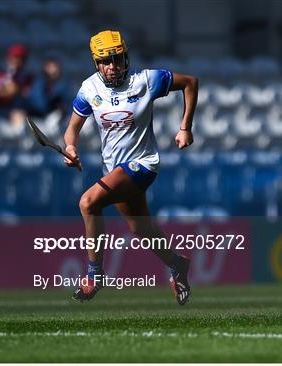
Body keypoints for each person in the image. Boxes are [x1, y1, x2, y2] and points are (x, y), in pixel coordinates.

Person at [63, 30, 198, 305]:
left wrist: (185, 127)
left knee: (88, 203)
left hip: (143, 165)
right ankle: (177, 264)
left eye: (117, 59)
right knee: (140, 229)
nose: (113, 66)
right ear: (96, 63)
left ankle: (94, 274)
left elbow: (191, 83)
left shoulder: (146, 80)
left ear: (126, 57)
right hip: (115, 170)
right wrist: (71, 148)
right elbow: (71, 130)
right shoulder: (90, 89)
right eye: (105, 61)